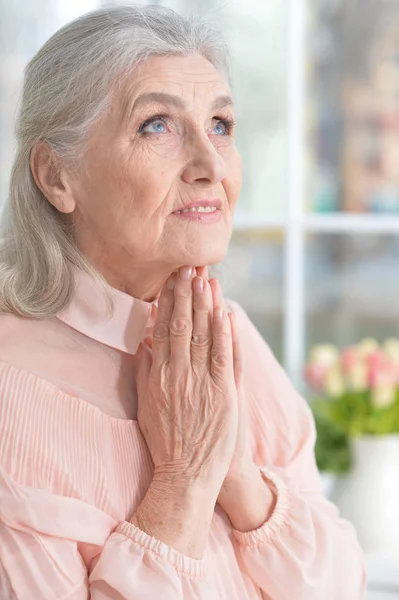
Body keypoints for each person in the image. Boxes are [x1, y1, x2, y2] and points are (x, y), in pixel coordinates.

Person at [0, 5, 365, 599]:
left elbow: (339, 586)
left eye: (220, 124)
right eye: (156, 126)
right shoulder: (10, 392)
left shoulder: (229, 335)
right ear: (56, 176)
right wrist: (183, 482)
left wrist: (241, 480)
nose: (211, 164)